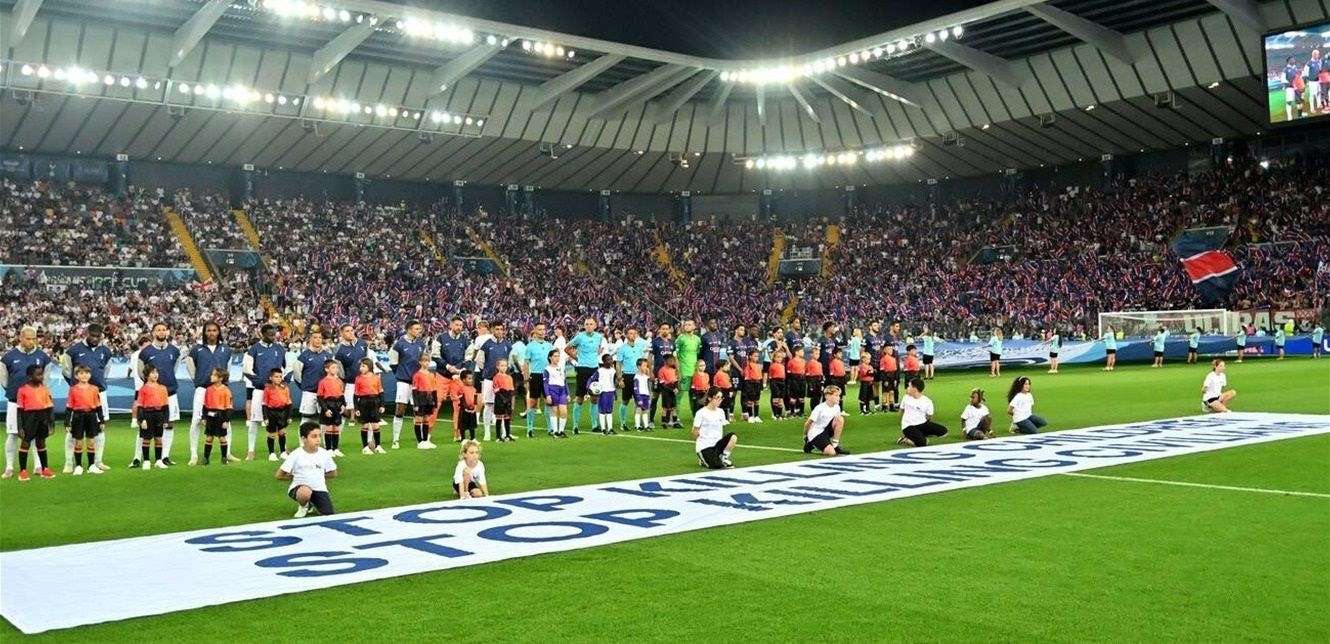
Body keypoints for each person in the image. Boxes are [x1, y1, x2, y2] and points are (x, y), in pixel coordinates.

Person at [61, 323, 113, 473]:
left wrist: (97, 384)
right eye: (92, 336)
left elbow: (106, 371)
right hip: (78, 394)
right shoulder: (73, 351)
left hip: (99, 394)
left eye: (98, 336)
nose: (95, 339)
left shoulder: (106, 352)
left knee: (100, 429)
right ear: (86, 334)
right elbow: (66, 371)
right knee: (72, 431)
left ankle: (98, 462)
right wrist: (77, 386)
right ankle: (69, 463)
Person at [185, 322, 233, 466]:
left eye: (214, 330)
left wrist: (223, 383)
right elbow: (189, 365)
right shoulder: (196, 349)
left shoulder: (225, 349)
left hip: (220, 390)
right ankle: (194, 454)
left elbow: (228, 368)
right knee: (196, 420)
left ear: (218, 332)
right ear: (205, 333)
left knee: (226, 421)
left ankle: (227, 453)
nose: (211, 333)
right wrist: (198, 380)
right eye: (209, 330)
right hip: (203, 389)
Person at [138, 323, 183, 466]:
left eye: (164, 329)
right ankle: (139, 457)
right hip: (152, 395)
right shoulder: (146, 352)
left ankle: (164, 456)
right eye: (158, 330)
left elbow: (174, 369)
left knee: (169, 424)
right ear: (153, 333)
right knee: (146, 427)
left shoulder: (174, 351)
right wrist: (152, 386)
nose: (161, 332)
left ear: (167, 332)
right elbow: (141, 371)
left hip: (170, 392)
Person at [243, 324, 286, 461]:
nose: (273, 337)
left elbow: (285, 367)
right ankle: (251, 450)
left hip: (276, 391)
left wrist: (283, 380)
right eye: (270, 334)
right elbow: (247, 369)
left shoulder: (279, 349)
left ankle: (283, 449)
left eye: (274, 334)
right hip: (260, 390)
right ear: (262, 334)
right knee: (254, 421)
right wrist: (260, 382)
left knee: (280, 421)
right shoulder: (254, 349)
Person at [277, 422, 337, 518]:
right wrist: (294, 477)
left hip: (319, 488)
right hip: (299, 489)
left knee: (328, 513)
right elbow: (280, 475)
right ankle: (303, 505)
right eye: (314, 436)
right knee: (304, 492)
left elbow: (333, 473)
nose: (318, 439)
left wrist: (317, 475)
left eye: (319, 436)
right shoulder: (296, 454)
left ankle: (312, 503)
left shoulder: (324, 454)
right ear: (304, 439)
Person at [388, 320, 429, 450]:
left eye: (419, 329)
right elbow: (393, 363)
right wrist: (401, 374)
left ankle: (421, 441)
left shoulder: (421, 343)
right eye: (416, 329)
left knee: (420, 411)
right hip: (404, 381)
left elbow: (423, 360)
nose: (418, 331)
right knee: (400, 409)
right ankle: (395, 440)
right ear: (409, 330)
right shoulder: (399, 344)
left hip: (418, 382)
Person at [15, 364, 56, 481]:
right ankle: (23, 471)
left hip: (42, 418)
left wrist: (51, 423)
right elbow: (19, 410)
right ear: (29, 377)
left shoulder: (45, 389)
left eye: (41, 374)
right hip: (29, 418)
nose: (41, 377)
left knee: (41, 442)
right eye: (38, 375)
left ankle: (45, 469)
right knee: (25, 443)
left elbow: (49, 408)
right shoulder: (22, 390)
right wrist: (20, 427)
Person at [65, 365, 105, 475]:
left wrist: (101, 420)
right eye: (81, 373)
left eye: (87, 373)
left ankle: (91, 465)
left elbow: (98, 406)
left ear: (90, 375)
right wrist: (67, 422)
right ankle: (78, 466)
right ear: (76, 376)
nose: (84, 375)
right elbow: (69, 407)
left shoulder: (94, 389)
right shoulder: (73, 390)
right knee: (78, 442)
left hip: (91, 416)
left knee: (91, 442)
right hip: (78, 417)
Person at [567, 318, 604, 434]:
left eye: (591, 324)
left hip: (594, 369)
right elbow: (567, 348)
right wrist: (577, 358)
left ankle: (594, 425)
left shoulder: (599, 337)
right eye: (586, 324)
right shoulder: (579, 337)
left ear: (595, 325)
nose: (588, 326)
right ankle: (575, 426)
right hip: (582, 369)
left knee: (594, 397)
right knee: (580, 397)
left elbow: (597, 351)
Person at [133, 365, 170, 469]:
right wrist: (142, 420)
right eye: (153, 372)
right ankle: (146, 461)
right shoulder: (143, 389)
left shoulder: (162, 388)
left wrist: (165, 420)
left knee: (158, 438)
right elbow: (140, 406)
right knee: (146, 439)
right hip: (148, 415)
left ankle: (158, 460)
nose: (155, 375)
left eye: (156, 372)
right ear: (147, 375)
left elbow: (166, 406)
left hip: (159, 415)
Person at [522, 323, 554, 438]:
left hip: (548, 376)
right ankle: (530, 428)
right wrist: (526, 380)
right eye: (539, 330)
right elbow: (526, 363)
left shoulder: (549, 346)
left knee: (549, 401)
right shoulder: (530, 346)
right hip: (535, 375)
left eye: (544, 329)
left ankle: (550, 428)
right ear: (535, 331)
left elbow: (554, 361)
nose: (542, 332)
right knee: (533, 402)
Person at [693, 387, 737, 469]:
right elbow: (695, 431)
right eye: (717, 397)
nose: (719, 400)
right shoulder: (701, 413)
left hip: (717, 444)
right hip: (705, 446)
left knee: (733, 437)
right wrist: (702, 439)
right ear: (710, 398)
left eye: (721, 398)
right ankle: (703, 460)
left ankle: (724, 457)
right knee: (716, 465)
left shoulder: (720, 412)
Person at [897, 377, 947, 447]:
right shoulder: (906, 398)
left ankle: (919, 435)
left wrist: (926, 424)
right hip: (909, 426)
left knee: (944, 432)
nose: (907, 388)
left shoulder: (927, 401)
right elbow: (902, 410)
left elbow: (929, 416)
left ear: (914, 389)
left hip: (922, 423)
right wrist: (903, 422)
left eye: (909, 386)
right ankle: (906, 439)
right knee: (922, 444)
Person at [615, 326, 648, 432]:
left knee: (639, 400)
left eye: (634, 333)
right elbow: (618, 364)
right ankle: (623, 423)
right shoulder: (622, 349)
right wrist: (620, 379)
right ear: (626, 335)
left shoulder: (639, 348)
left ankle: (637, 423)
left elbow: (642, 363)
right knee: (625, 400)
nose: (633, 335)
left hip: (638, 376)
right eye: (630, 333)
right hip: (628, 376)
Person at [803, 386, 850, 456]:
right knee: (831, 453)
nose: (839, 398)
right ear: (828, 396)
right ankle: (810, 443)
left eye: (839, 395)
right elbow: (808, 423)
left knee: (840, 419)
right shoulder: (820, 408)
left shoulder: (837, 407)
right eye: (836, 395)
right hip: (816, 432)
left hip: (826, 430)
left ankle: (835, 445)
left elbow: (836, 422)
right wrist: (806, 435)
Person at [200, 368, 233, 465]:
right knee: (209, 437)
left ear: (220, 378)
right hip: (210, 415)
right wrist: (204, 417)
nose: (211, 376)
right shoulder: (208, 389)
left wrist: (226, 420)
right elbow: (205, 405)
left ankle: (224, 457)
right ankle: (206, 458)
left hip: (220, 416)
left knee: (222, 437)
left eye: (214, 375)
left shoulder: (226, 390)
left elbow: (229, 407)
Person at [353, 358, 386, 454]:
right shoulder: (358, 378)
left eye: (363, 366)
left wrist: (382, 405)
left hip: (374, 401)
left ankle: (378, 446)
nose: (361, 368)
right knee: (365, 424)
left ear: (369, 367)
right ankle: (365, 447)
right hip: (363, 402)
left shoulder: (376, 377)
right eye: (360, 366)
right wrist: (356, 408)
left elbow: (381, 392)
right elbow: (355, 395)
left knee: (375, 424)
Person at [316, 359, 346, 455]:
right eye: (333, 367)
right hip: (328, 404)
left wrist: (343, 405)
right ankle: (328, 449)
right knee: (328, 427)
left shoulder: (339, 381)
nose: (335, 369)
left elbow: (341, 395)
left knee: (336, 427)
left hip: (337, 404)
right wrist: (325, 409)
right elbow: (320, 397)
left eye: (336, 367)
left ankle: (335, 448)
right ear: (326, 369)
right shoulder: (323, 382)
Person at [262, 368, 293, 461]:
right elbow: (264, 404)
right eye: (276, 377)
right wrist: (265, 417)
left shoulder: (285, 388)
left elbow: (289, 403)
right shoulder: (268, 389)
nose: (279, 378)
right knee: (272, 434)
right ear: (271, 378)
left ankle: (283, 452)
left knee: (282, 432)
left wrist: (289, 416)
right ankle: (271, 453)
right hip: (271, 412)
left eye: (280, 376)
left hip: (283, 412)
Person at [648, 322, 674, 428]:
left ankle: (667, 421)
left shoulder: (672, 343)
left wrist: (676, 372)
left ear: (669, 330)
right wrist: (650, 371)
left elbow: (674, 358)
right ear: (660, 330)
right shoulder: (655, 342)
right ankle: (650, 420)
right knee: (655, 396)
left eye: (667, 329)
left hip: (669, 376)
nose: (665, 330)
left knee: (668, 397)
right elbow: (650, 357)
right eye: (663, 328)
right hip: (657, 374)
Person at [411, 353, 439, 447]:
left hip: (429, 399)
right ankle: (419, 442)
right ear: (420, 362)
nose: (426, 363)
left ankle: (425, 440)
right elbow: (414, 390)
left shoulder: (431, 375)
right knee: (419, 419)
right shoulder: (417, 375)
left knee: (426, 419)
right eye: (424, 361)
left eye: (428, 361)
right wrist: (416, 404)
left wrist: (435, 402)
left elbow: (434, 389)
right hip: (420, 398)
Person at [542, 351, 570, 438]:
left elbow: (564, 381)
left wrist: (568, 393)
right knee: (554, 410)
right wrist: (547, 395)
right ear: (550, 358)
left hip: (562, 390)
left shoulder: (561, 368)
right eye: (555, 356)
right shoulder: (547, 369)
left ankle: (561, 430)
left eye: (558, 356)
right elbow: (545, 383)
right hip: (553, 389)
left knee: (564, 411)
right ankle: (555, 431)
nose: (557, 358)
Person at [674, 320, 701, 408]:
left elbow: (697, 354)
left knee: (693, 396)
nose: (687, 326)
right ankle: (675, 415)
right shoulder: (681, 338)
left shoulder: (697, 339)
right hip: (684, 371)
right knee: (679, 395)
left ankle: (694, 414)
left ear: (694, 327)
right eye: (685, 325)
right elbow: (676, 355)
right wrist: (678, 371)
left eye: (689, 325)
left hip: (694, 372)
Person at [492, 358, 516, 442]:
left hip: (507, 397)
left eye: (505, 366)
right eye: (502, 366)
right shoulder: (496, 377)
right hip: (500, 399)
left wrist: (508, 399)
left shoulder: (509, 377)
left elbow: (512, 389)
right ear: (497, 367)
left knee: (507, 418)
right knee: (499, 418)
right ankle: (498, 436)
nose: (504, 367)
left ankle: (507, 435)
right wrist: (503, 399)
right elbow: (496, 390)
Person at [594, 354, 617, 435]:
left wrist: (615, 392)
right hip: (603, 392)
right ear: (603, 361)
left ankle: (610, 428)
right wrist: (592, 390)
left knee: (609, 410)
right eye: (608, 360)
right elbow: (592, 380)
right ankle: (603, 428)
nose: (610, 361)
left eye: (611, 359)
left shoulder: (613, 370)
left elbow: (613, 382)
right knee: (602, 410)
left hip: (610, 391)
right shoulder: (600, 371)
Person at [657, 355, 681, 428]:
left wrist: (676, 388)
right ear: (666, 361)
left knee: (673, 407)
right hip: (666, 391)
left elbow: (676, 380)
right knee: (665, 407)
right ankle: (664, 422)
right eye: (671, 360)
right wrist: (671, 390)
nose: (673, 362)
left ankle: (675, 422)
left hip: (673, 390)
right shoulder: (661, 370)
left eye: (673, 360)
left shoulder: (673, 369)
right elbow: (662, 384)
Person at [455, 370, 479, 441]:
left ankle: (473, 438)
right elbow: (462, 399)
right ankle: (463, 439)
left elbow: (475, 399)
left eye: (471, 378)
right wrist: (465, 408)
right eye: (469, 378)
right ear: (464, 380)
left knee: (472, 425)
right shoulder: (461, 389)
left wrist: (475, 407)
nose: (471, 380)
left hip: (472, 410)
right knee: (463, 425)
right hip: (464, 410)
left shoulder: (474, 389)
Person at [741, 349, 763, 423]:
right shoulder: (748, 366)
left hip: (758, 384)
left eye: (757, 356)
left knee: (757, 401)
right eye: (755, 356)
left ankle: (756, 416)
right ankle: (750, 416)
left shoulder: (758, 366)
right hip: (751, 384)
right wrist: (749, 388)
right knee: (750, 401)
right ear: (750, 357)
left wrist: (761, 387)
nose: (757, 358)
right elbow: (746, 378)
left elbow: (760, 377)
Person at [633, 358, 653, 431]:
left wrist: (648, 372)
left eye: (646, 366)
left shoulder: (645, 376)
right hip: (640, 395)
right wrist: (638, 398)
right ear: (639, 367)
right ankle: (637, 426)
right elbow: (636, 388)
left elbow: (650, 380)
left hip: (646, 395)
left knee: (645, 410)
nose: (646, 367)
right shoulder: (637, 377)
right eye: (644, 366)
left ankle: (646, 425)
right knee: (639, 410)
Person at [786, 347, 806, 416]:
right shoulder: (791, 361)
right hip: (794, 380)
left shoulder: (803, 361)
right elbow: (788, 372)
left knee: (802, 396)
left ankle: (801, 411)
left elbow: (804, 370)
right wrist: (790, 381)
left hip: (802, 379)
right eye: (801, 351)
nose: (803, 353)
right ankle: (792, 411)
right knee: (793, 396)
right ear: (796, 352)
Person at [767, 349, 787, 420]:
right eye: (778, 357)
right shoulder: (772, 366)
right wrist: (772, 383)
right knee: (775, 398)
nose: (780, 358)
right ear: (774, 358)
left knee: (781, 398)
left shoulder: (782, 365)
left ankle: (780, 414)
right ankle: (775, 414)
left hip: (782, 382)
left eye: (781, 357)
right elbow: (770, 376)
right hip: (775, 382)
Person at [879, 346, 899, 412]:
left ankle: (891, 406)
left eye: (891, 349)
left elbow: (895, 370)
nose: (891, 350)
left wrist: (895, 379)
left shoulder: (893, 359)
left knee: (892, 391)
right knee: (885, 392)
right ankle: (884, 406)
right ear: (885, 350)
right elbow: (882, 370)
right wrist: (885, 380)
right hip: (886, 376)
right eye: (889, 349)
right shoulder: (883, 359)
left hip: (892, 376)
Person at [805, 346, 825, 413]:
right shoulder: (809, 363)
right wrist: (810, 384)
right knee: (814, 397)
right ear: (811, 354)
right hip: (812, 381)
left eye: (818, 354)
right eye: (816, 353)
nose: (817, 355)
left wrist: (822, 383)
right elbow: (807, 374)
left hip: (819, 381)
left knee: (819, 396)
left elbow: (821, 374)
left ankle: (817, 409)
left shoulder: (819, 363)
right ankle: (813, 410)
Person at [827, 348, 848, 413]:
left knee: (841, 396)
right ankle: (834, 410)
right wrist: (834, 383)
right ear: (835, 355)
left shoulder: (841, 362)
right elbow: (832, 373)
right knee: (835, 395)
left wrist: (845, 382)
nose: (841, 354)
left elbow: (843, 373)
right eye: (839, 353)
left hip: (842, 380)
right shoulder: (832, 362)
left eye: (841, 353)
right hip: (836, 380)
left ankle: (841, 410)